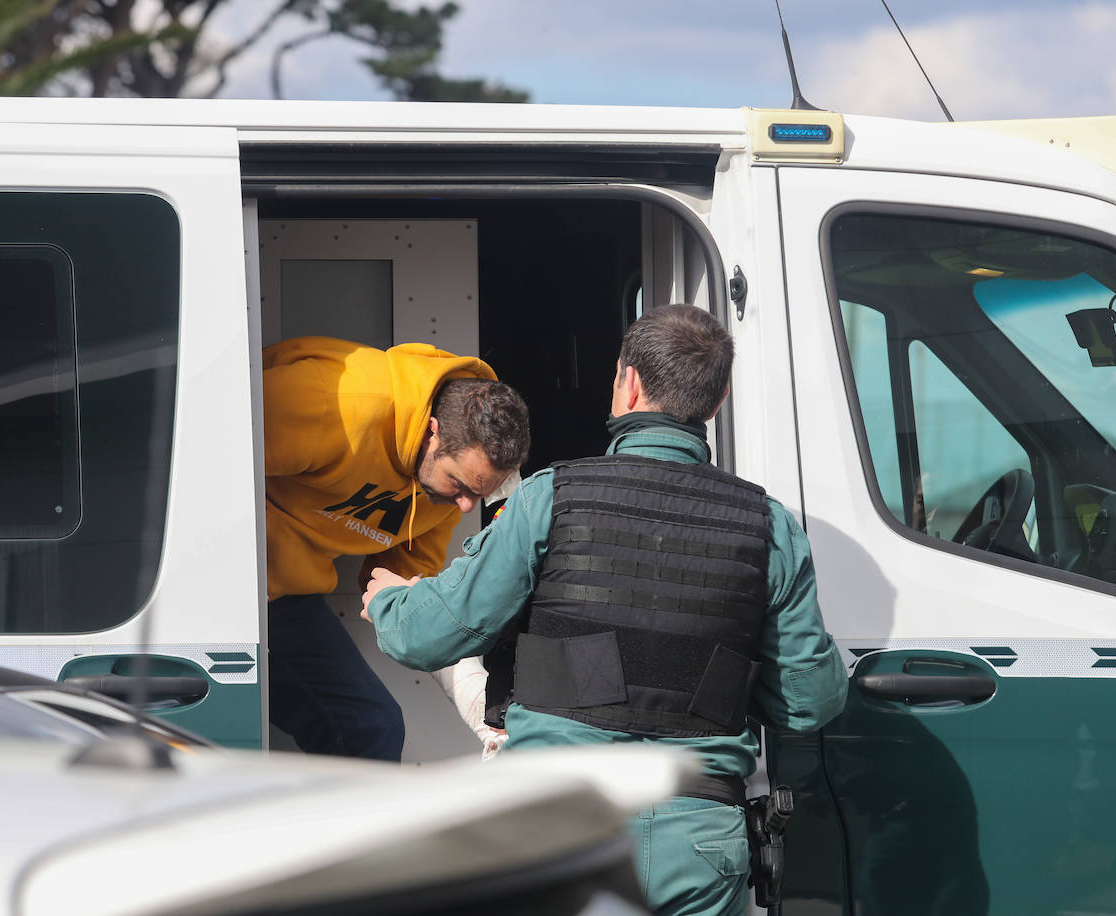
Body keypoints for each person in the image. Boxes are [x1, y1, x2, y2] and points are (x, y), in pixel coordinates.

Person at [360, 305, 848, 914]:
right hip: (698, 843)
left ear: (627, 382)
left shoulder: (551, 497)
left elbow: (427, 636)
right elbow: (809, 704)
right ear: (719, 399)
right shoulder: (769, 526)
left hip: (560, 827)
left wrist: (388, 601)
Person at [263, 335, 530, 762]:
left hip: (282, 597)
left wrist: (484, 712)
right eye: (459, 485)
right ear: (432, 432)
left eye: (477, 496)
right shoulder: (334, 401)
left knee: (371, 729)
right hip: (203, 571)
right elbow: (191, 457)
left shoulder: (442, 495)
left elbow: (404, 596)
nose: (464, 506)